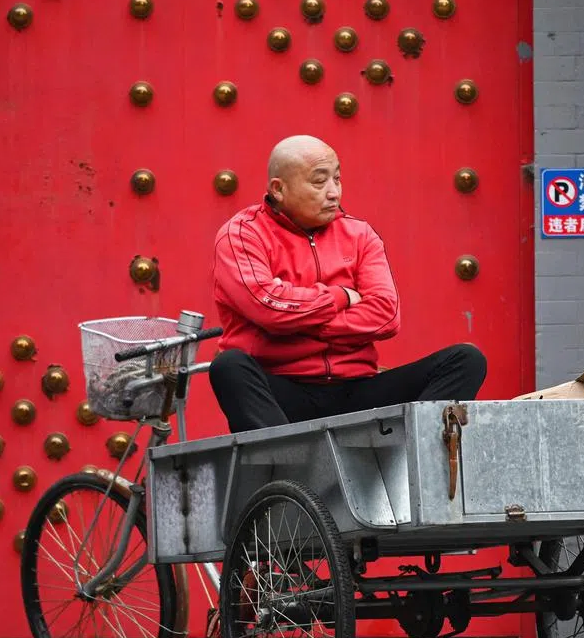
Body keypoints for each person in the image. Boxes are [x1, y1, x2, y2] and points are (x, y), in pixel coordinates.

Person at [207, 134, 487, 433]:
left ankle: (420, 460)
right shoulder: (241, 234)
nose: (333, 193)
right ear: (278, 189)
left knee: (466, 360)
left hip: (357, 389)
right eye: (319, 182)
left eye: (337, 179)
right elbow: (269, 307)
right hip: (281, 391)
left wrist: (294, 324)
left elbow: (386, 317)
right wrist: (342, 297)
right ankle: (289, 466)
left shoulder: (359, 234)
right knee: (229, 367)